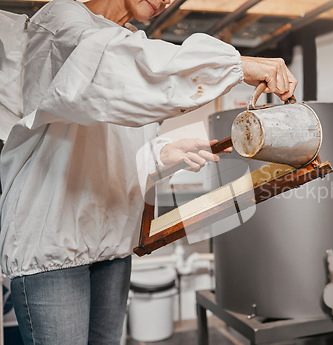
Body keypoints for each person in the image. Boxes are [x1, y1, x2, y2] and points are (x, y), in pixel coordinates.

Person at [0, 0, 298, 344]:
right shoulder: (62, 19)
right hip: (51, 244)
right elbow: (109, 69)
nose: (168, 0)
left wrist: (161, 152)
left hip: (111, 244)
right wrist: (235, 65)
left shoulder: (131, 40)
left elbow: (108, 145)